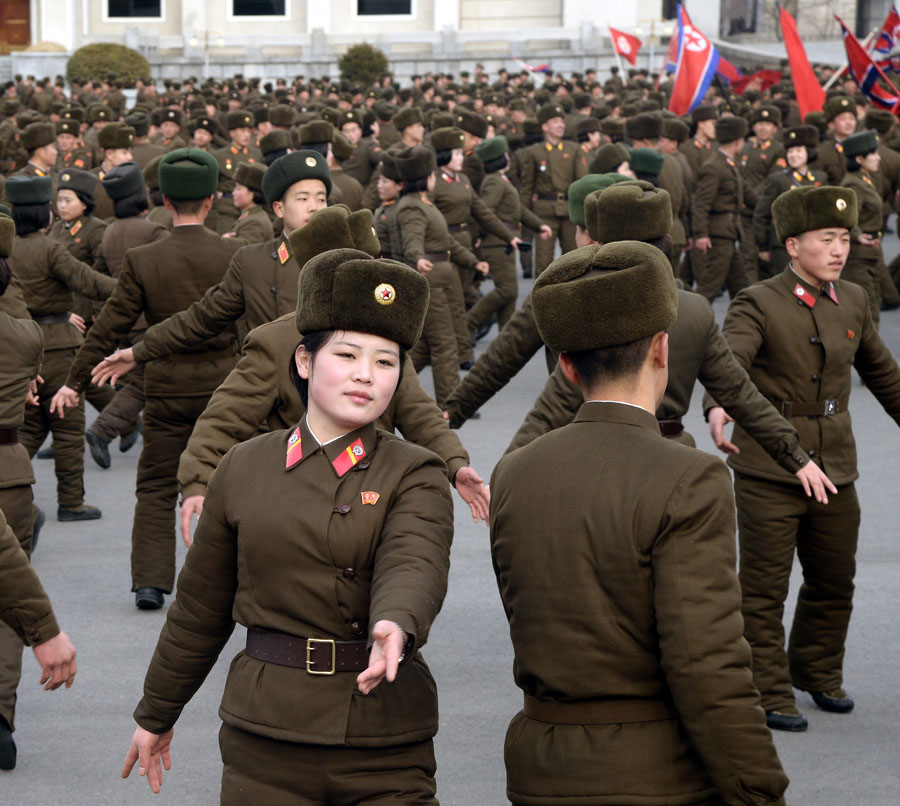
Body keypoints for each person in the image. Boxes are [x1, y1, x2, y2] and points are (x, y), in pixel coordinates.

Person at [121, 249, 453, 804]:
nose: (365, 375)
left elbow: (415, 559)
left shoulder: (415, 470)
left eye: (386, 362)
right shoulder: (244, 466)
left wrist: (396, 621)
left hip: (383, 740)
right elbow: (200, 610)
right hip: (265, 740)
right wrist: (156, 713)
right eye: (346, 354)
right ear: (304, 360)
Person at [490, 240, 788, 806]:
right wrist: (759, 791)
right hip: (655, 774)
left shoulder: (513, 472)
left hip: (537, 768)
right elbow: (707, 665)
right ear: (661, 349)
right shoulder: (691, 477)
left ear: (567, 366)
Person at [705, 185, 900, 731]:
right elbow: (728, 364)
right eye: (826, 239)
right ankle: (768, 690)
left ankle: (816, 670)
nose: (839, 250)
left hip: (835, 463)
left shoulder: (854, 299)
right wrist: (718, 406)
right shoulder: (758, 301)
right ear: (792, 245)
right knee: (764, 588)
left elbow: (883, 374)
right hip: (769, 466)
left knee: (834, 579)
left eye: (845, 239)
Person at [51, 149, 243, 610]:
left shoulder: (143, 259)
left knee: (157, 486)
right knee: (232, 486)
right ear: (211, 200)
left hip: (165, 388)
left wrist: (75, 382)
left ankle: (150, 583)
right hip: (225, 389)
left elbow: (108, 327)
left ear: (165, 201)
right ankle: (235, 582)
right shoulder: (234, 254)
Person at [5, 175, 116, 521]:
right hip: (58, 347)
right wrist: (132, 286)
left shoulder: (8, 250)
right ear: (44, 213)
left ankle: (7, 493)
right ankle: (71, 501)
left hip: (19, 347)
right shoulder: (50, 248)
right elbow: (88, 281)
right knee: (67, 429)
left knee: (28, 428)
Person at [395, 145, 483, 405]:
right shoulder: (412, 207)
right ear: (425, 179)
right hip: (432, 280)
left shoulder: (425, 203)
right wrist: (418, 258)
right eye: (431, 174)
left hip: (445, 279)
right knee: (444, 343)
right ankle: (451, 403)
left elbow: (446, 242)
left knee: (426, 346)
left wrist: (473, 262)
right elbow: (412, 240)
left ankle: (391, 388)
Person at [467, 135, 549, 337]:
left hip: (506, 241)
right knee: (507, 290)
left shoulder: (501, 180)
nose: (509, 157)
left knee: (509, 297)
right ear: (500, 158)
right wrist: (481, 234)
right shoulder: (494, 182)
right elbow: (485, 212)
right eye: (505, 154)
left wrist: (539, 225)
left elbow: (519, 210)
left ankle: (506, 337)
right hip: (497, 242)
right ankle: (469, 322)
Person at [518, 102, 588, 276]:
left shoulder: (574, 150)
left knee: (574, 260)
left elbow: (582, 183)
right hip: (544, 213)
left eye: (561, 121)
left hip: (569, 211)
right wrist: (524, 216)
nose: (560, 125)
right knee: (544, 264)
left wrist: (584, 214)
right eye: (555, 121)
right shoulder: (534, 152)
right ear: (545, 126)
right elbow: (527, 187)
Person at [691, 115, 752, 302]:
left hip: (729, 232)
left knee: (740, 285)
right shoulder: (714, 167)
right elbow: (701, 204)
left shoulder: (729, 164)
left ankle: (745, 318)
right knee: (710, 286)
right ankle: (692, 317)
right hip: (718, 234)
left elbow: (749, 195)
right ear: (737, 141)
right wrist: (701, 234)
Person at [753, 125, 826, 279]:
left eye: (798, 150)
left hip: (813, 243)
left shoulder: (820, 178)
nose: (793, 155)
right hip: (783, 246)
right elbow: (761, 214)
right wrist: (763, 246)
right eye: (790, 151)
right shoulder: (778, 179)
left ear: (808, 152)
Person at [840, 129, 885, 326]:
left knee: (872, 309)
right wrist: (858, 235)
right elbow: (846, 217)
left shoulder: (865, 179)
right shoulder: (854, 185)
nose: (878, 157)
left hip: (870, 254)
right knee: (868, 314)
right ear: (859, 158)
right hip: (858, 257)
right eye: (873, 153)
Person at [223, 162, 273, 243]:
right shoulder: (250, 216)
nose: (233, 193)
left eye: (238, 188)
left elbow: (245, 249)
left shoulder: (255, 222)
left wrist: (224, 242)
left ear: (252, 194)